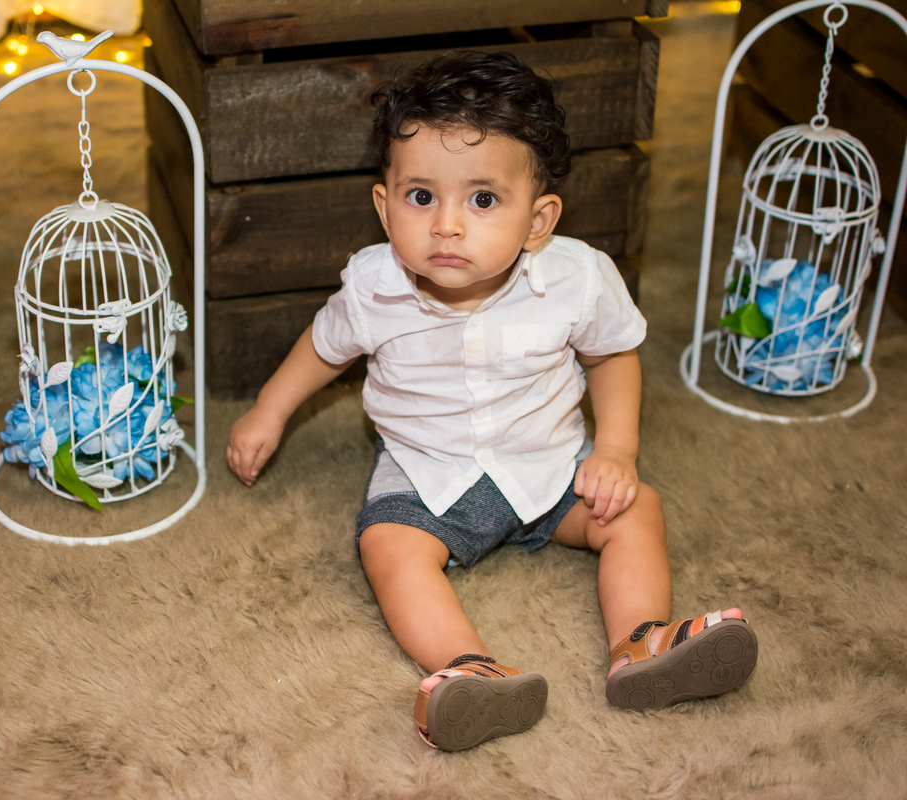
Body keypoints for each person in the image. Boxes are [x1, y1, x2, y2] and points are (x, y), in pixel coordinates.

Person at [226, 50, 758, 752]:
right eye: (421, 197)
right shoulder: (373, 287)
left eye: (482, 200)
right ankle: (469, 668)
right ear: (384, 207)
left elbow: (610, 357)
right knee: (387, 546)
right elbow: (324, 350)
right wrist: (269, 410)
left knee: (635, 509)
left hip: (547, 464)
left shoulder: (576, 277)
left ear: (538, 221)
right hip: (425, 471)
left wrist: (616, 450)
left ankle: (642, 642)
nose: (446, 225)